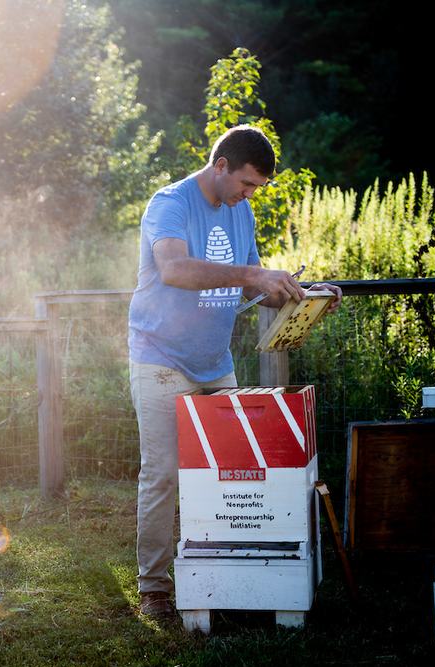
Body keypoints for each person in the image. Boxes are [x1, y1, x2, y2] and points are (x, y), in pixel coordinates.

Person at [127, 125, 341, 621]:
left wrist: (302, 296)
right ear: (220, 165)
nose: (249, 195)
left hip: (215, 363)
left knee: (230, 474)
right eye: (246, 184)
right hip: (160, 358)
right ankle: (154, 587)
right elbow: (175, 270)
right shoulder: (170, 203)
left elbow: (254, 288)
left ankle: (221, 574)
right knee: (163, 474)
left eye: (256, 188)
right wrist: (251, 274)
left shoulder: (240, 210)